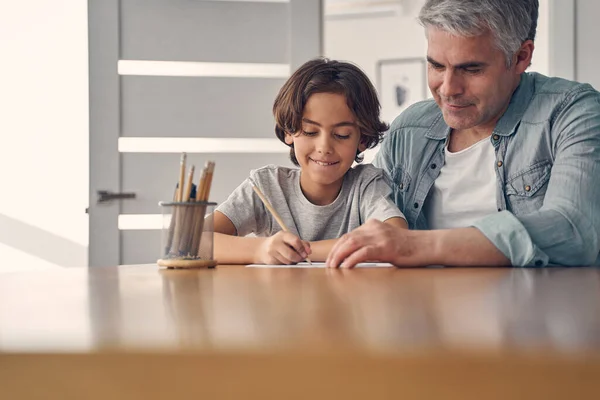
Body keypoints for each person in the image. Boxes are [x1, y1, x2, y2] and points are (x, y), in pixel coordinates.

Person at [327, 0, 600, 268]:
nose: (448, 89)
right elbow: (361, 225)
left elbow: (573, 229)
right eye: (436, 66)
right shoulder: (409, 130)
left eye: (470, 69)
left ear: (521, 57)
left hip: (535, 309)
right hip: (418, 308)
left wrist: (412, 246)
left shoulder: (572, 112)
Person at [214, 58, 407, 264]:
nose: (324, 147)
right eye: (310, 131)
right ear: (289, 131)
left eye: (341, 134)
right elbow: (190, 242)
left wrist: (301, 251)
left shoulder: (366, 186)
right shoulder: (267, 186)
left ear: (363, 139)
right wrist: (260, 250)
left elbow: (396, 238)